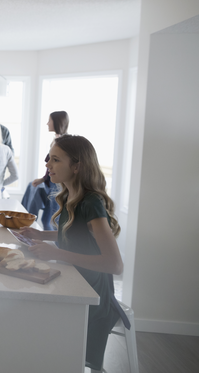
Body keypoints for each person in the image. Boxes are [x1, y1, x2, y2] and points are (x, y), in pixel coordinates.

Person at [21, 134, 127, 372]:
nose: (48, 164)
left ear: (77, 166)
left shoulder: (91, 204)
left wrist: (55, 254)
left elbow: (115, 264)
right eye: (49, 158)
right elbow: (75, 239)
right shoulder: (70, 197)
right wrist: (42, 236)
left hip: (91, 295)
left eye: (56, 159)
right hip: (74, 281)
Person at [22, 111, 69, 230]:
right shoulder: (57, 140)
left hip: (57, 185)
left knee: (53, 221)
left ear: (57, 122)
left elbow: (56, 165)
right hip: (52, 183)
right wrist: (43, 179)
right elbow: (51, 165)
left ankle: (55, 247)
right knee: (47, 220)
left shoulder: (62, 142)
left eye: (50, 120)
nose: (47, 123)